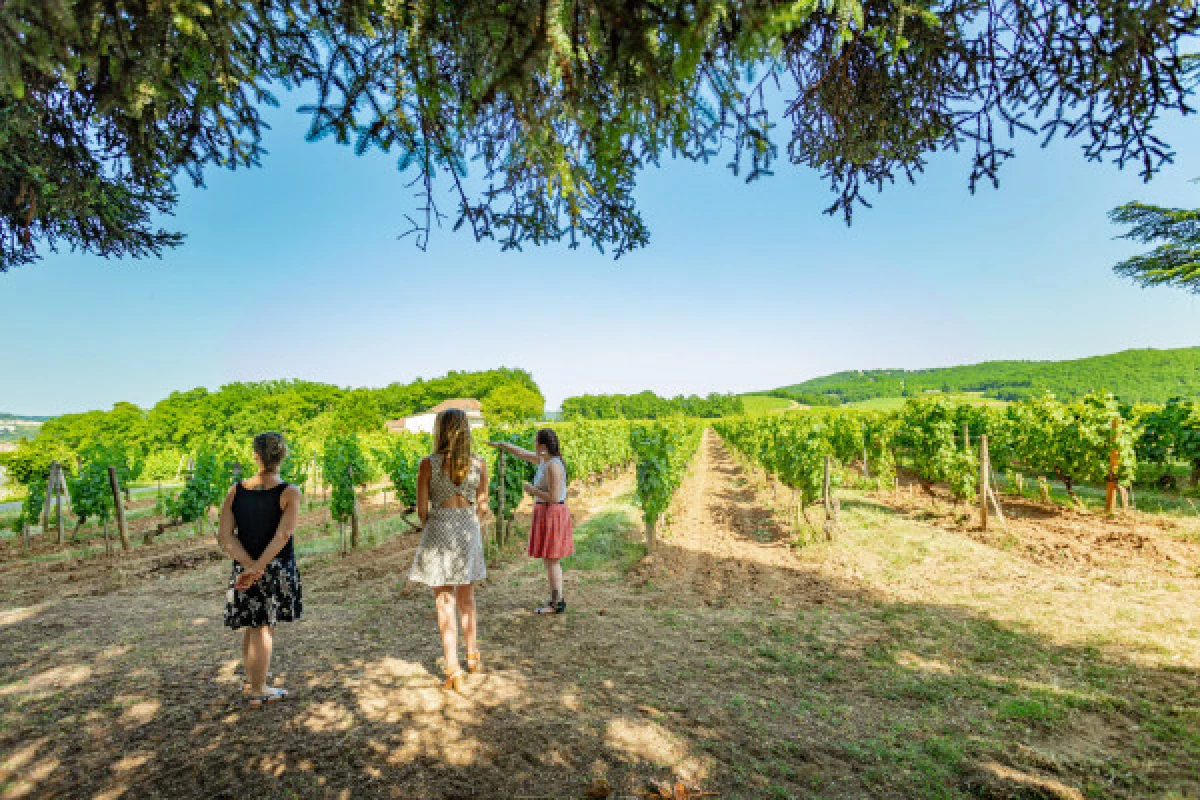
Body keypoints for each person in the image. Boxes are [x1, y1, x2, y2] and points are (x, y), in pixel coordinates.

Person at [216, 432, 303, 707]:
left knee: (251, 626)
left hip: (245, 568)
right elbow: (282, 536)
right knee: (264, 628)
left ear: (256, 455)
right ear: (283, 456)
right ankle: (258, 689)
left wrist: (248, 566)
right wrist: (260, 567)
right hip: (274, 567)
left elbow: (225, 536)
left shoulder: (236, 490)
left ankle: (251, 680)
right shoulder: (289, 492)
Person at [409, 409, 489, 692]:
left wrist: (435, 520)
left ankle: (453, 667)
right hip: (467, 530)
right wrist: (470, 525)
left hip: (440, 532)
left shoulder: (427, 464)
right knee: (467, 599)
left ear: (440, 431)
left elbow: (421, 511)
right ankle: (473, 655)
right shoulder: (479, 464)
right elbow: (483, 507)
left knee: (444, 601)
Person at [489, 429, 573, 614]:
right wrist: (503, 445)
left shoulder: (553, 466)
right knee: (549, 560)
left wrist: (531, 489)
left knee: (551, 560)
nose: (533, 445)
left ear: (543, 446)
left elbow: (554, 497)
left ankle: (556, 603)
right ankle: (556, 601)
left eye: (536, 442)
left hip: (552, 513)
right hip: (547, 513)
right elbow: (522, 453)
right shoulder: (546, 460)